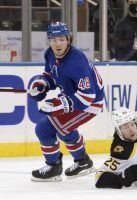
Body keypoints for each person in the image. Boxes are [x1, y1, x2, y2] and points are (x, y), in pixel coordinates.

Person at [29, 22, 104, 182]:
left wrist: (58, 104)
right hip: (73, 98)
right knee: (64, 128)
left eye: (62, 39)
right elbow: (51, 75)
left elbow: (87, 97)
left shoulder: (77, 61)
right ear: (48, 40)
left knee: (44, 128)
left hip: (90, 103)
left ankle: (53, 166)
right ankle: (83, 162)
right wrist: (41, 84)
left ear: (68, 40)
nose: (58, 43)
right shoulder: (49, 54)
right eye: (54, 39)